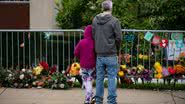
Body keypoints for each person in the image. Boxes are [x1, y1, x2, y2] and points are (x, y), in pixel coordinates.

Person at [92, 0, 122, 104]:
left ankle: (98, 101)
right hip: (111, 53)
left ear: (102, 8)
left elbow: (93, 35)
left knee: (99, 78)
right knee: (111, 78)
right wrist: (116, 48)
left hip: (99, 54)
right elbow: (119, 38)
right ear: (111, 8)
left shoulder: (95, 20)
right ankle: (111, 101)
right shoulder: (115, 21)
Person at [74, 25, 96, 104]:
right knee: (89, 81)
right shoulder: (94, 42)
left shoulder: (81, 42)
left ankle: (87, 99)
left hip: (83, 66)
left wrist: (81, 57)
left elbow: (76, 53)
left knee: (86, 82)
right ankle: (92, 96)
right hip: (93, 66)